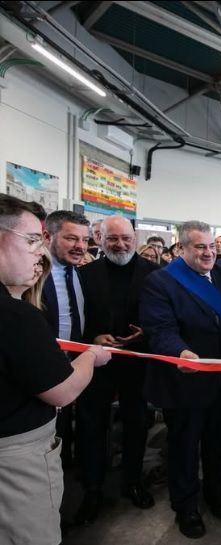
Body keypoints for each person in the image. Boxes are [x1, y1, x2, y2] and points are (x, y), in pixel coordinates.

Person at [0, 194, 111, 545]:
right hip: (22, 441)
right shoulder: (19, 307)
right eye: (33, 241)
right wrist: (91, 357)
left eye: (85, 240)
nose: (39, 254)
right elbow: (61, 390)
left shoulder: (90, 275)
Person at [140, 220, 221, 539]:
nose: (208, 252)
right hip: (184, 383)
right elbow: (160, 330)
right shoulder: (160, 281)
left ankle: (215, 493)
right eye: (200, 246)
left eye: (212, 246)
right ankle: (185, 506)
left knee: (217, 444)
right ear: (181, 248)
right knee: (184, 447)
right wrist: (181, 352)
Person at [74, 216, 159, 523]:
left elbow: (162, 317)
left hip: (137, 361)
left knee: (137, 424)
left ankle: (132, 482)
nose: (120, 244)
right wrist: (92, 337)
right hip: (96, 362)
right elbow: (76, 319)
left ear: (135, 238)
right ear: (100, 239)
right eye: (112, 239)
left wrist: (145, 333)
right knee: (92, 425)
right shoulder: (84, 274)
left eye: (125, 238)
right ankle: (93, 489)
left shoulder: (154, 273)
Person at [42, 210, 91, 467]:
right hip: (42, 373)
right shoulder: (33, 274)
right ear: (47, 235)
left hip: (74, 369)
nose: (80, 247)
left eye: (84, 240)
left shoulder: (79, 273)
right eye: (71, 239)